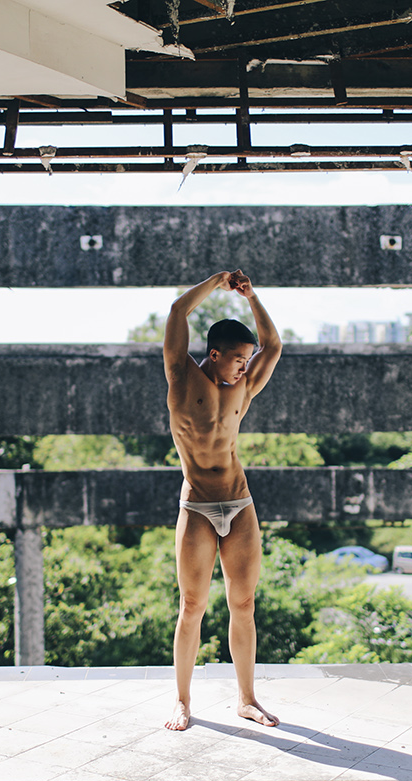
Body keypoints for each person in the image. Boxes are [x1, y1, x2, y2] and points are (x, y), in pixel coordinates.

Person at [163, 269, 283, 732]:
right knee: (192, 606)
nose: (244, 367)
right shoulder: (181, 377)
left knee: (244, 603)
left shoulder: (243, 389)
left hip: (239, 503)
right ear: (214, 354)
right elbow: (178, 311)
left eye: (247, 360)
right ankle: (182, 701)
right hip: (196, 506)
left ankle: (247, 699)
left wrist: (251, 297)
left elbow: (273, 346)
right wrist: (216, 282)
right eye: (237, 359)